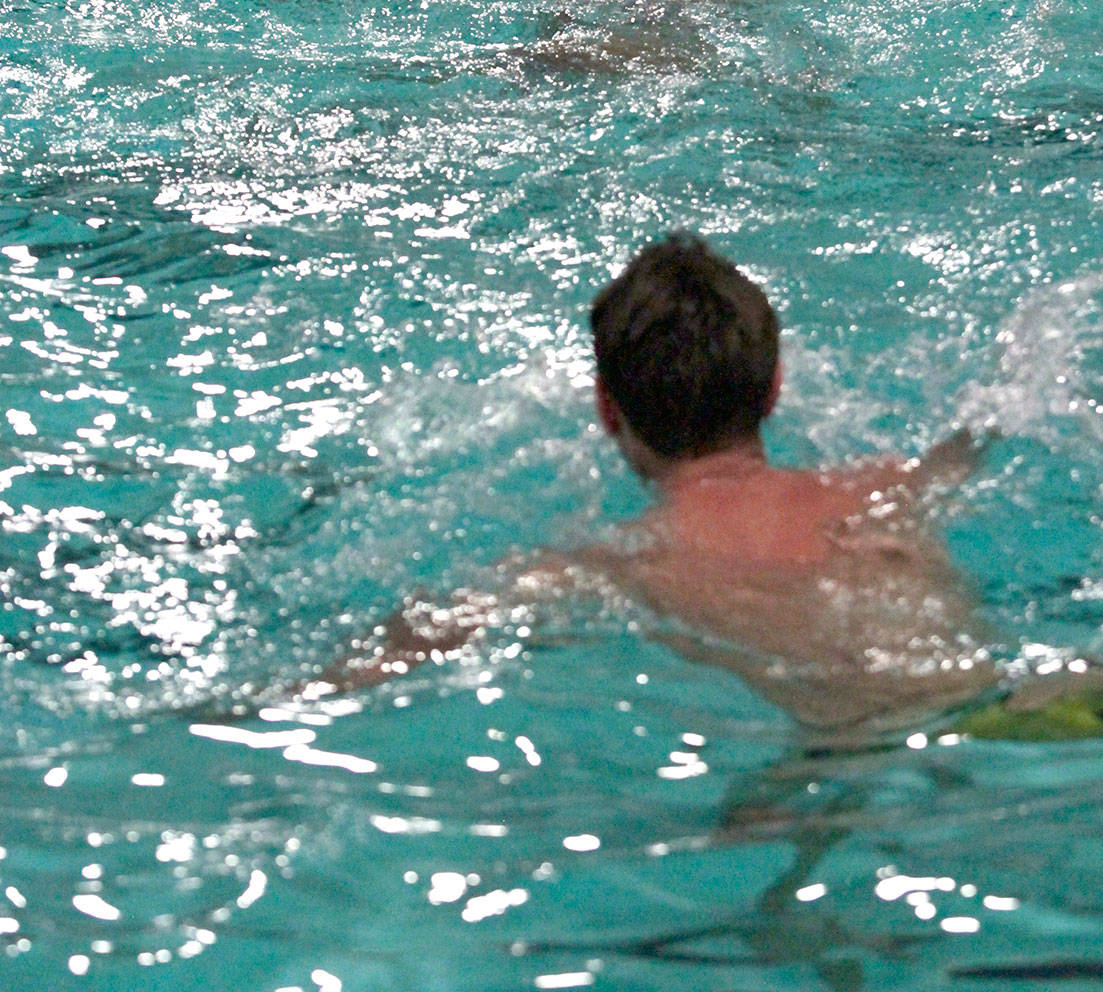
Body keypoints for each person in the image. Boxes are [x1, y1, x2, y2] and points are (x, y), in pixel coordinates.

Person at [314, 235, 1004, 736]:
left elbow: (428, 636)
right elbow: (985, 429)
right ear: (774, 389)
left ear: (606, 409)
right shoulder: (887, 483)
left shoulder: (622, 563)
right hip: (1013, 698)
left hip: (869, 741)